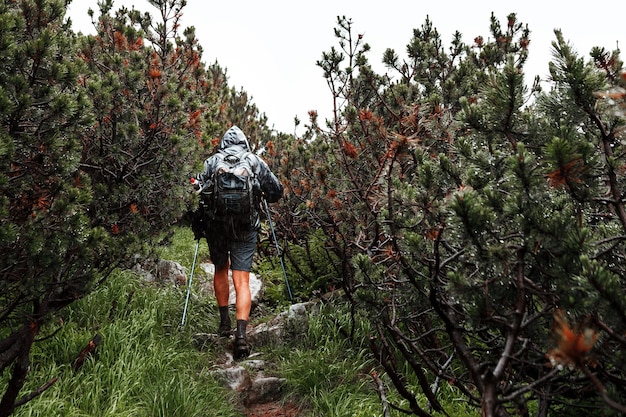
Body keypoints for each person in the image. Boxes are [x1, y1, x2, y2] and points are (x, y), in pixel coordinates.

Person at [195, 126, 283, 359]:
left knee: (220, 269)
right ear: (245, 143)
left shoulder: (212, 161)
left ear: (223, 143)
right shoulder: (255, 161)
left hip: (216, 226)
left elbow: (199, 190)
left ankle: (224, 324)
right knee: (241, 279)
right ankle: (241, 337)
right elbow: (276, 192)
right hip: (246, 227)